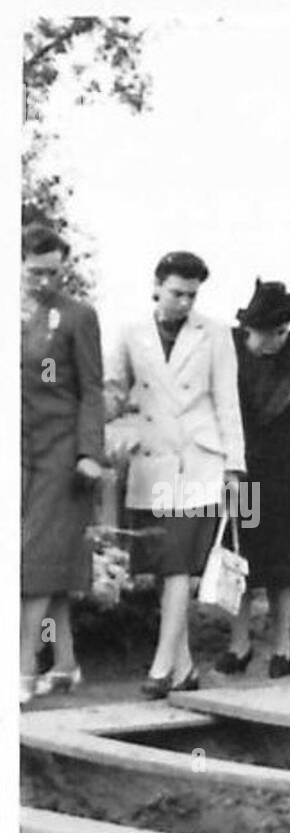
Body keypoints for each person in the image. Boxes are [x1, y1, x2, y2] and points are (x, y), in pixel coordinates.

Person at [105, 250, 245, 697]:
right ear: (157, 286)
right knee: (166, 567)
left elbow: (227, 401)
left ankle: (161, 667)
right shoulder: (130, 332)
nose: (184, 302)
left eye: (192, 295)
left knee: (179, 567)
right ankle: (184, 669)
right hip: (152, 462)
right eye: (176, 293)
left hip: (200, 462)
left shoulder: (216, 333)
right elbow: (112, 391)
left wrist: (236, 467)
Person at [20, 224, 109, 703]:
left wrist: (89, 452)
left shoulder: (76, 317)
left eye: (53, 272)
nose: (44, 281)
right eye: (35, 272)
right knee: (50, 559)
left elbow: (91, 389)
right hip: (18, 453)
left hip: (59, 453)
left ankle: (21, 669)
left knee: (32, 560)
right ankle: (66, 662)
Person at [224, 279, 290, 678]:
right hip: (242, 476)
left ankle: (282, 643)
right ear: (250, 329)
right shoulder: (228, 360)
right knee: (241, 561)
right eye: (270, 332)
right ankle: (239, 642)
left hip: (283, 478)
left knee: (281, 568)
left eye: (283, 332)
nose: (277, 340)